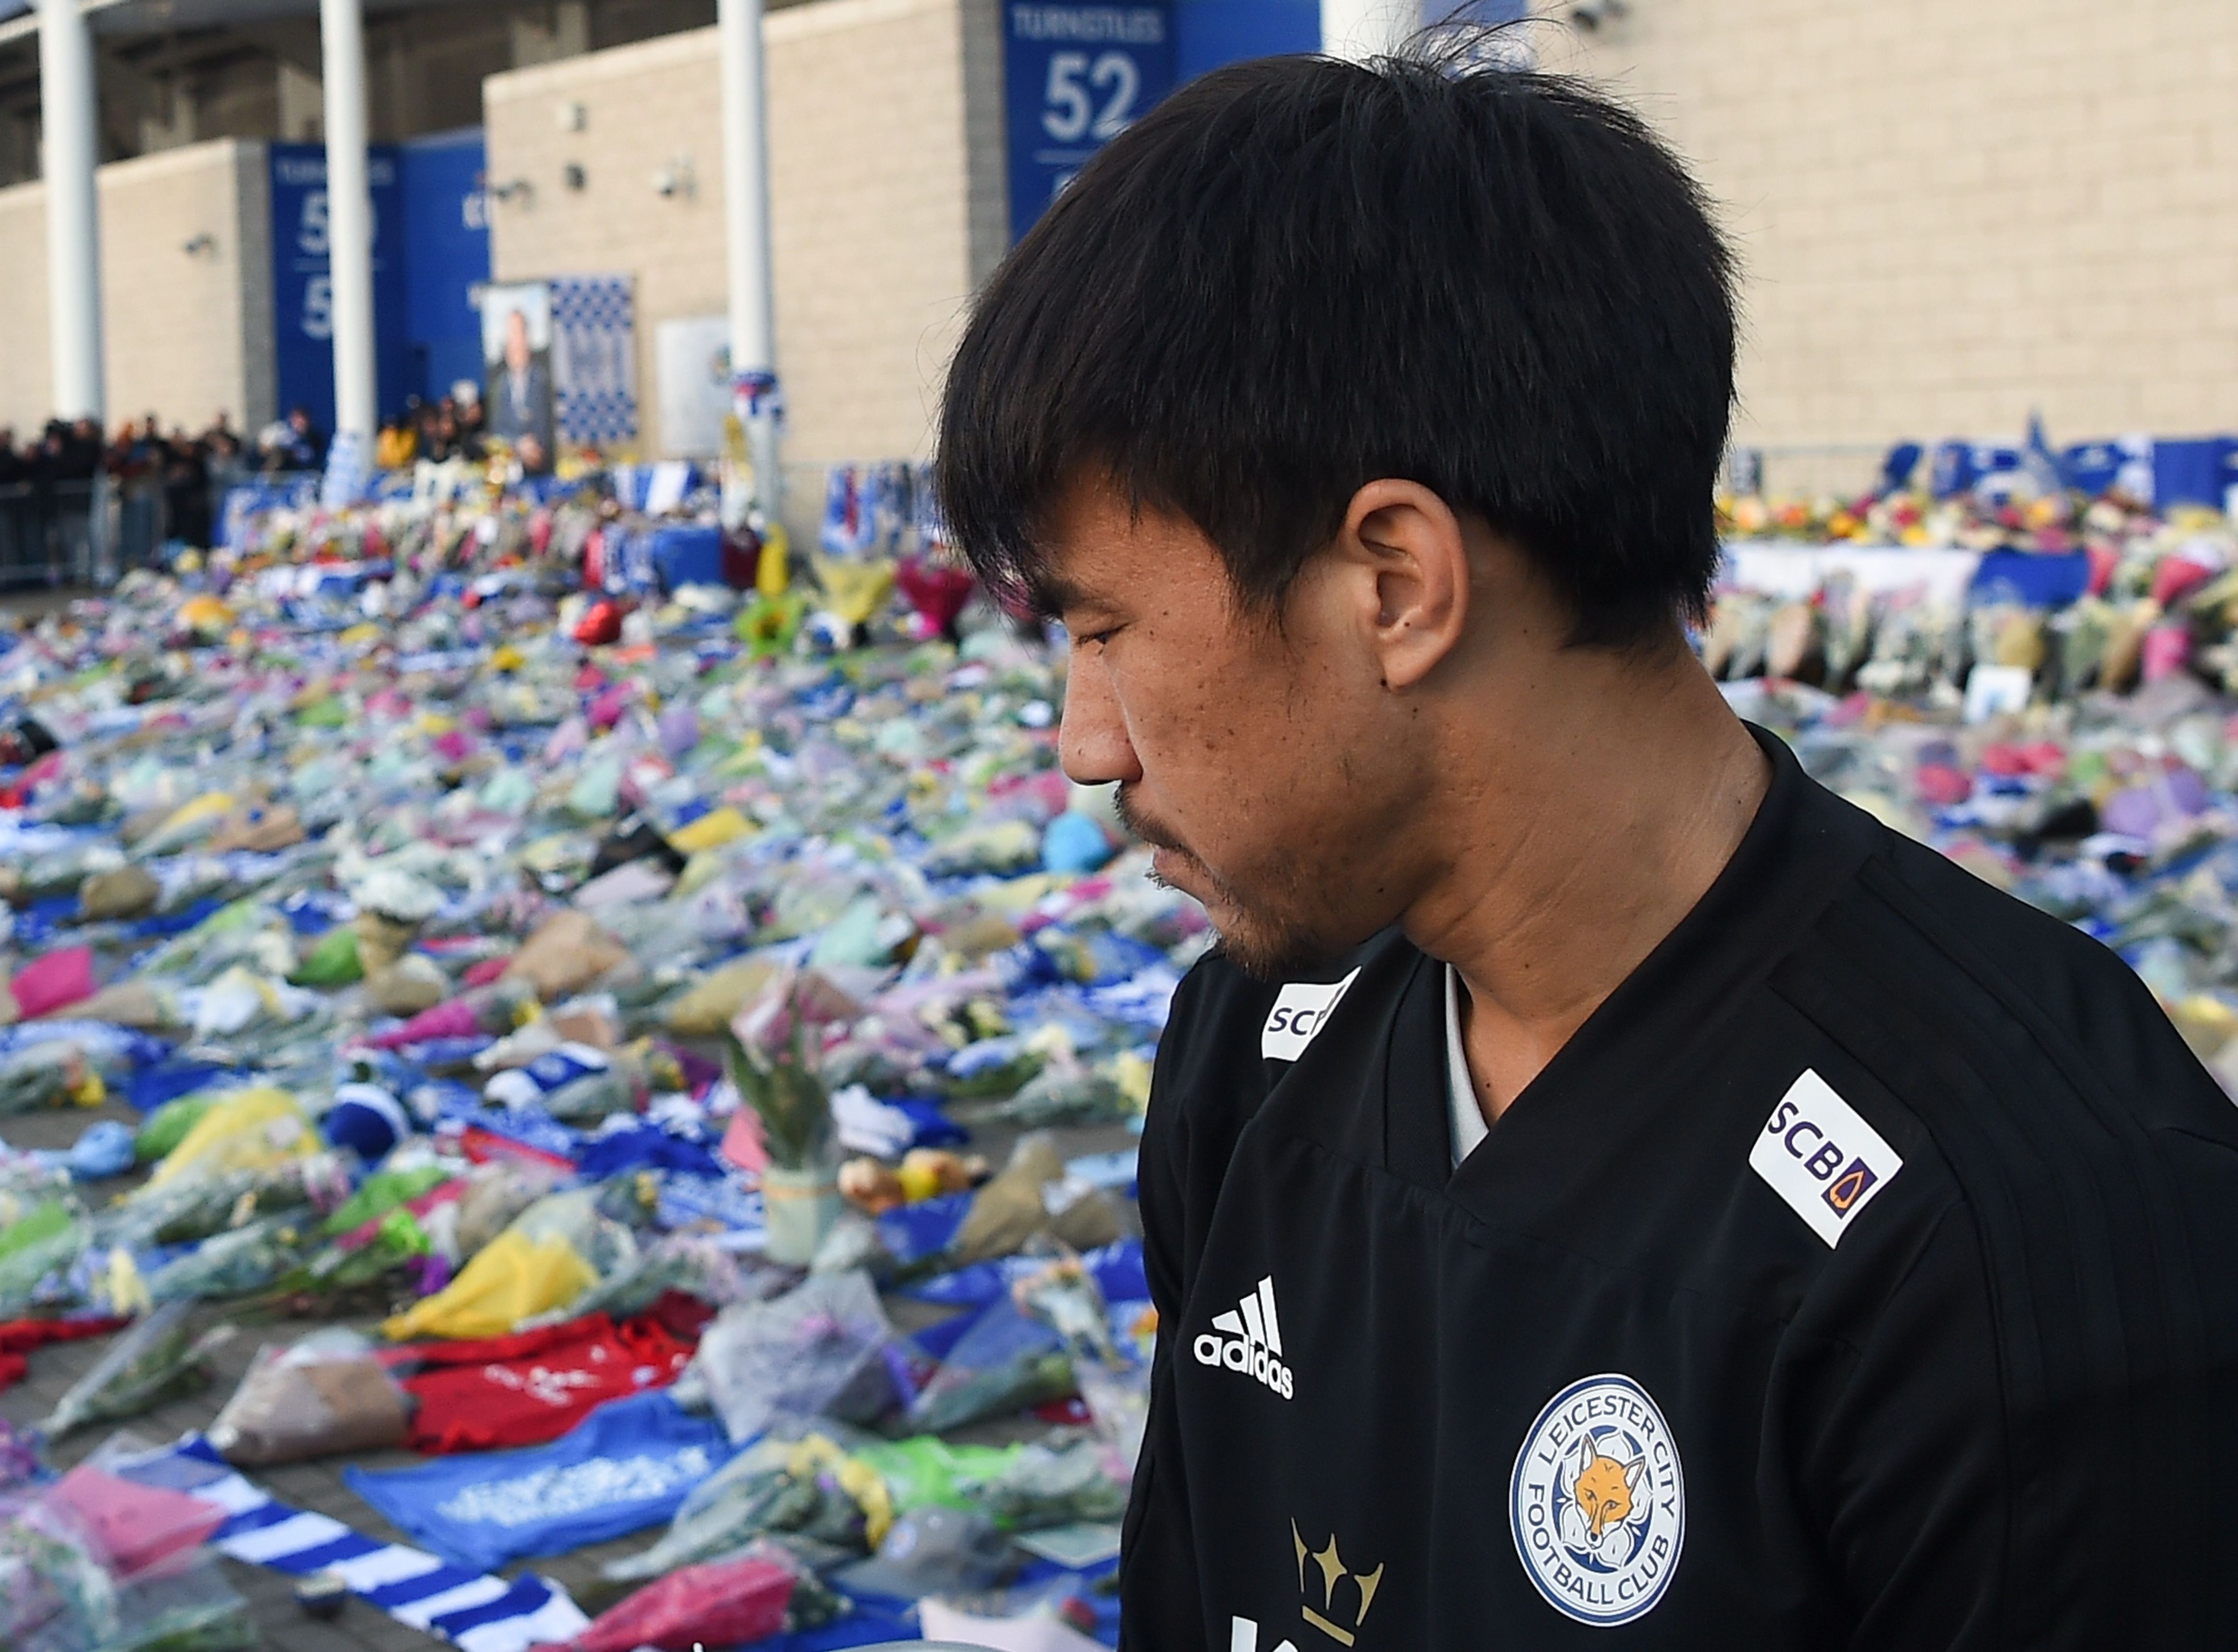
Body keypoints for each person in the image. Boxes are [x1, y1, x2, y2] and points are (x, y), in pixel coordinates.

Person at [935, 42, 2238, 1652]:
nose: (1085, 748)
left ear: (1397, 584)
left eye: (1101, 627)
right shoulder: (1250, 1051)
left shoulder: (2020, 1213)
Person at [485, 307, 555, 450]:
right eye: (511, 335)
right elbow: (497, 428)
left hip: (544, 455)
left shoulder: (543, 379)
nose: (515, 343)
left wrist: (536, 447)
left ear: (527, 338)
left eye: (519, 334)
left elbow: (550, 423)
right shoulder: (500, 385)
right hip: (511, 456)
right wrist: (519, 445)